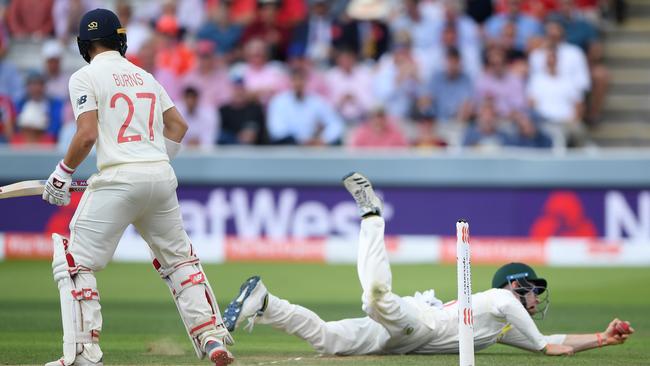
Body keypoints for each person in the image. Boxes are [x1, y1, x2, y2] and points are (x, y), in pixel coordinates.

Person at [223, 172, 635, 357]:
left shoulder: (499, 329)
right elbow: (541, 335)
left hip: (399, 342)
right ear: (513, 286)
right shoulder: (495, 301)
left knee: (328, 340)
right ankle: (372, 216)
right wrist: (546, 345)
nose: (534, 296)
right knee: (374, 299)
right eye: (530, 287)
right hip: (418, 323)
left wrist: (602, 337)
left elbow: (554, 335)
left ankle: (266, 302)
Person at [41, 9, 234, 366]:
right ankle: (212, 337)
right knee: (180, 261)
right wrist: (153, 159)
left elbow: (86, 135)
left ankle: (83, 355)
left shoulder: (84, 76)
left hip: (117, 179)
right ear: (121, 39)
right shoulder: (144, 76)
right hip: (160, 177)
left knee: (75, 262)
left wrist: (62, 173)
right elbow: (177, 125)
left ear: (84, 45)